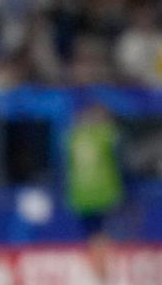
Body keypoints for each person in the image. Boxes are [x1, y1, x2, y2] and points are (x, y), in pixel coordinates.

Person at [66, 103, 124, 282]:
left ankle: (101, 275)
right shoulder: (105, 135)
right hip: (104, 194)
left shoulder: (72, 137)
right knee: (101, 237)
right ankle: (104, 276)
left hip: (81, 196)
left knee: (94, 237)